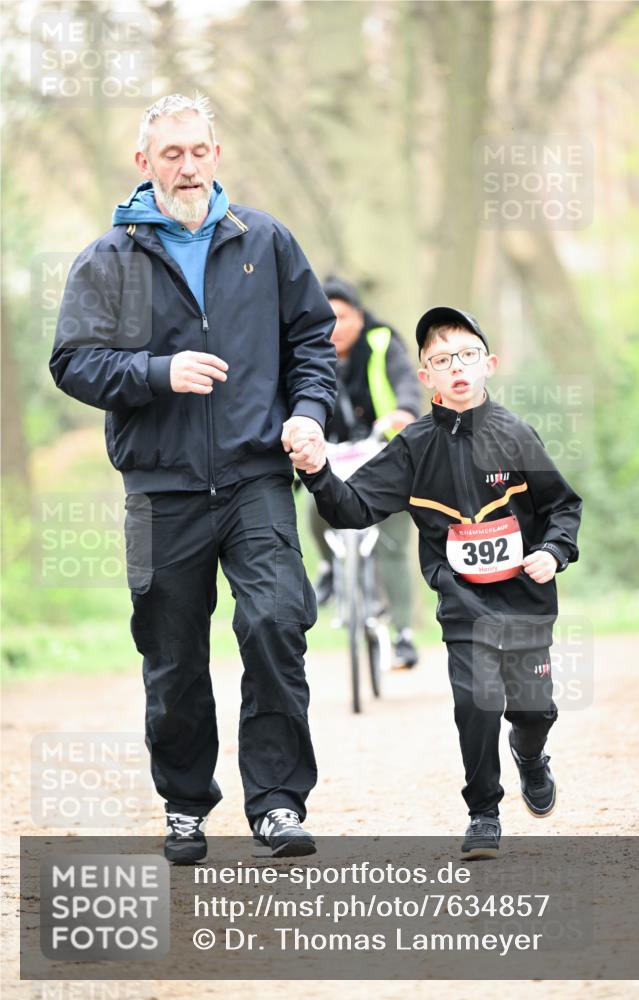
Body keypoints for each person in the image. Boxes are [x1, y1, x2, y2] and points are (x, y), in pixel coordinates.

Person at [49, 94, 337, 864]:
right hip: (160, 488)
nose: (186, 165)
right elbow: (73, 362)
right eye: (169, 153)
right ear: (142, 164)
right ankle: (185, 802)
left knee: (275, 621)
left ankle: (276, 802)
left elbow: (313, 339)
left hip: (255, 478)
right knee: (173, 655)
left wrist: (308, 411)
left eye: (197, 150)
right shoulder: (109, 258)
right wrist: (156, 371)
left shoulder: (264, 242)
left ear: (217, 155)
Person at [289, 306, 582, 858]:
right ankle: (484, 812)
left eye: (468, 355)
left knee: (534, 709)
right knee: (475, 701)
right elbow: (352, 507)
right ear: (426, 377)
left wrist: (552, 550)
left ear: (489, 364)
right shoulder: (413, 447)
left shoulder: (517, 435)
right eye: (442, 359)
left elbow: (563, 506)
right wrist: (318, 471)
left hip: (525, 598)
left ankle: (530, 751)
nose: (458, 367)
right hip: (462, 599)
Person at [312, 275, 423, 668]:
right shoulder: (309, 349)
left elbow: (407, 383)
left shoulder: (381, 343)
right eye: (328, 318)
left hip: (384, 451)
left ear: (359, 317)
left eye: (342, 317)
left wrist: (406, 412)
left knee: (392, 543)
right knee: (317, 510)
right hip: (335, 453)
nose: (335, 327)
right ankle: (329, 564)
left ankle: (404, 636)